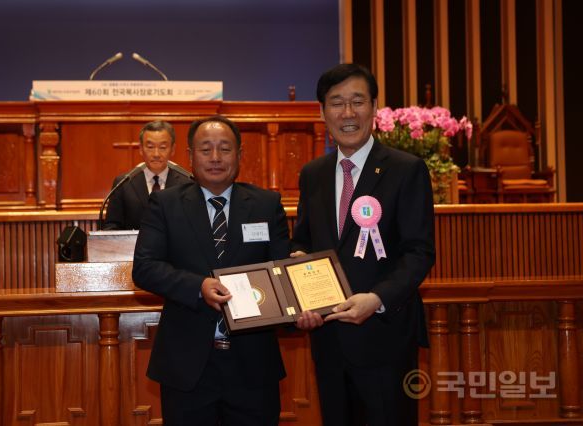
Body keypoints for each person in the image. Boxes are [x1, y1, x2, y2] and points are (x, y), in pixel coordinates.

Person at [291, 63, 435, 426]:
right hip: (329, 339)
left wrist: (378, 299)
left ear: (374, 107)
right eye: (336, 103)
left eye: (358, 101)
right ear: (323, 112)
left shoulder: (406, 169)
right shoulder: (313, 174)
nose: (348, 113)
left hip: (385, 337)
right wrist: (299, 289)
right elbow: (304, 242)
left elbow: (419, 251)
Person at [132, 115, 289, 425]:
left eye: (225, 149)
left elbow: (282, 272)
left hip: (254, 366)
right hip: (187, 366)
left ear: (240, 155)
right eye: (205, 149)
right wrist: (197, 286)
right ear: (190, 156)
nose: (216, 158)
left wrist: (303, 309)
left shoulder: (266, 204)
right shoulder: (165, 204)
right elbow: (145, 268)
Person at [102, 120, 191, 230]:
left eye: (163, 147)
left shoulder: (187, 183)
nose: (156, 154)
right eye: (150, 147)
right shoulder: (124, 184)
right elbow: (111, 228)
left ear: (172, 150)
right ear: (141, 149)